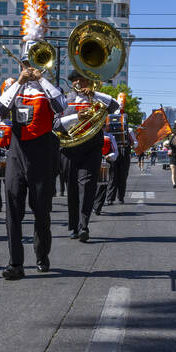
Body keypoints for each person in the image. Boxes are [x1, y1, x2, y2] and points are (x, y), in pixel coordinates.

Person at [0, 0, 66, 282]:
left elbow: (61, 106)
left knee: (41, 211)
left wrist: (41, 79)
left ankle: (42, 255)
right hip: (16, 152)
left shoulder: (50, 87)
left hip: (43, 152)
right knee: (13, 210)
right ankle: (15, 263)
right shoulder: (14, 88)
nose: (29, 66)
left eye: (34, 62)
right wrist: (20, 83)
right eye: (26, 62)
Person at [56, 70, 119, 241]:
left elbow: (115, 106)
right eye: (77, 81)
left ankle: (84, 225)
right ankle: (74, 226)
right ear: (72, 83)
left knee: (88, 185)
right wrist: (76, 117)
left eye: (84, 81)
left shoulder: (97, 99)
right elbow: (55, 124)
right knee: (72, 188)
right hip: (69, 148)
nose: (81, 84)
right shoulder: (64, 100)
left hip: (91, 148)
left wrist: (95, 94)